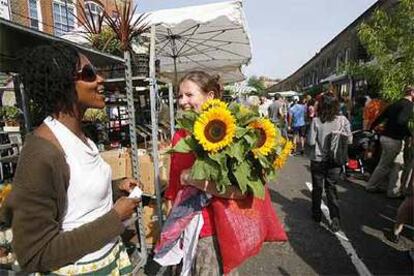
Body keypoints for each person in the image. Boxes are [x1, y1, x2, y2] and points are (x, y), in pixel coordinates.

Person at [0, 44, 140, 274]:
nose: (100, 79)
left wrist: (117, 187)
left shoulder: (82, 137)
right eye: (89, 74)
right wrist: (115, 218)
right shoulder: (41, 153)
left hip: (111, 259)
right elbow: (35, 254)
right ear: (64, 84)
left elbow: (75, 198)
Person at [165, 71, 286, 275]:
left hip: (212, 234)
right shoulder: (180, 136)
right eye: (179, 96)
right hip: (183, 227)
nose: (182, 101)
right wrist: (171, 220)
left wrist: (194, 180)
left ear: (210, 96)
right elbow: (174, 183)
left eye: (188, 95)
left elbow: (240, 192)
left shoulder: (231, 137)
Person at [308, 92, 352, 232]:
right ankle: (335, 218)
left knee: (317, 187)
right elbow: (349, 140)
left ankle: (316, 214)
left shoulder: (316, 121)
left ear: (321, 105)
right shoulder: (342, 120)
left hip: (318, 159)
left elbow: (310, 141)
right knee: (331, 188)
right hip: (335, 160)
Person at [366, 86, 414, 198]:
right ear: (412, 93)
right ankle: (371, 186)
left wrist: (372, 127)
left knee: (398, 164)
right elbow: (401, 121)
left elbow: (381, 117)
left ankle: (393, 191)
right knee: (385, 165)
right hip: (394, 139)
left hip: (386, 137)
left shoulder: (395, 104)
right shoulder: (408, 105)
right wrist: (409, 134)